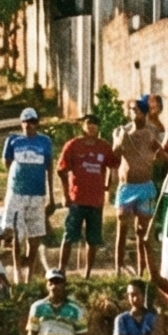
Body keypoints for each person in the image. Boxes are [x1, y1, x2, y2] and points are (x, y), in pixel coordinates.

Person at [111, 96, 168, 278]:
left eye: (135, 109)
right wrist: (119, 139)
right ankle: (118, 270)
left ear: (143, 112)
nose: (132, 112)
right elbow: (115, 153)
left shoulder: (152, 132)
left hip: (144, 187)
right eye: (130, 109)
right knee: (122, 229)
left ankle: (142, 270)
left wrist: (159, 155)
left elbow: (161, 154)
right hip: (127, 187)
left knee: (142, 232)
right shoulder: (123, 131)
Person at [0, 108, 55, 279]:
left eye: (32, 122)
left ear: (37, 123)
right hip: (17, 193)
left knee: (35, 233)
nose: (29, 125)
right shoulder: (13, 140)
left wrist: (51, 195)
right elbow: (6, 162)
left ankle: (29, 271)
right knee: (16, 231)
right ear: (21, 122)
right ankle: (17, 272)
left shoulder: (45, 141)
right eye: (26, 121)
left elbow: (49, 166)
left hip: (37, 193)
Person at [56, 114, 114, 277]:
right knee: (69, 235)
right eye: (88, 124)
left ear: (98, 127)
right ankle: (61, 269)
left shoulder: (104, 147)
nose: (91, 127)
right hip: (77, 199)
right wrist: (65, 194)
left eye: (95, 124)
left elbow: (113, 163)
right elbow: (61, 170)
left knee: (93, 239)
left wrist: (108, 183)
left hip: (95, 200)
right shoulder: (73, 145)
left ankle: (87, 273)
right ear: (83, 126)